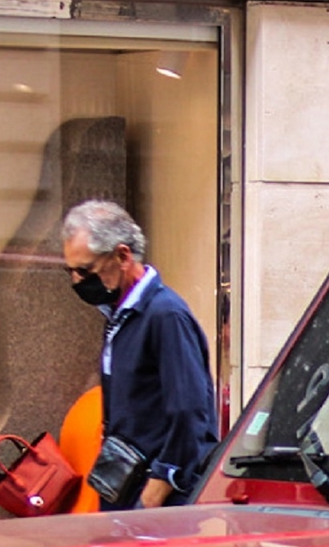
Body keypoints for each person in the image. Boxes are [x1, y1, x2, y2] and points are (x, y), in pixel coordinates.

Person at [58, 200, 218, 507]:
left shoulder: (165, 315)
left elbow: (190, 409)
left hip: (157, 495)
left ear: (122, 255)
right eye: (71, 271)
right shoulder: (121, 315)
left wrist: (161, 483)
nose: (77, 281)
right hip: (126, 483)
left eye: (85, 270)